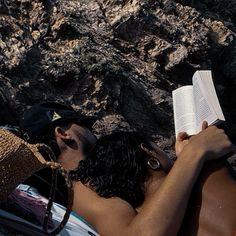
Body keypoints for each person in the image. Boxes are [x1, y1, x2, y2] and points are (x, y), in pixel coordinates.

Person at [70, 122, 236, 236]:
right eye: (156, 145)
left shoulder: (153, 224)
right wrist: (195, 150)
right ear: (148, 152)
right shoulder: (209, 171)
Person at [19, 101, 98, 204]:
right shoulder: (97, 193)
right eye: (81, 123)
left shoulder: (52, 200)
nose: (91, 130)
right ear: (62, 133)